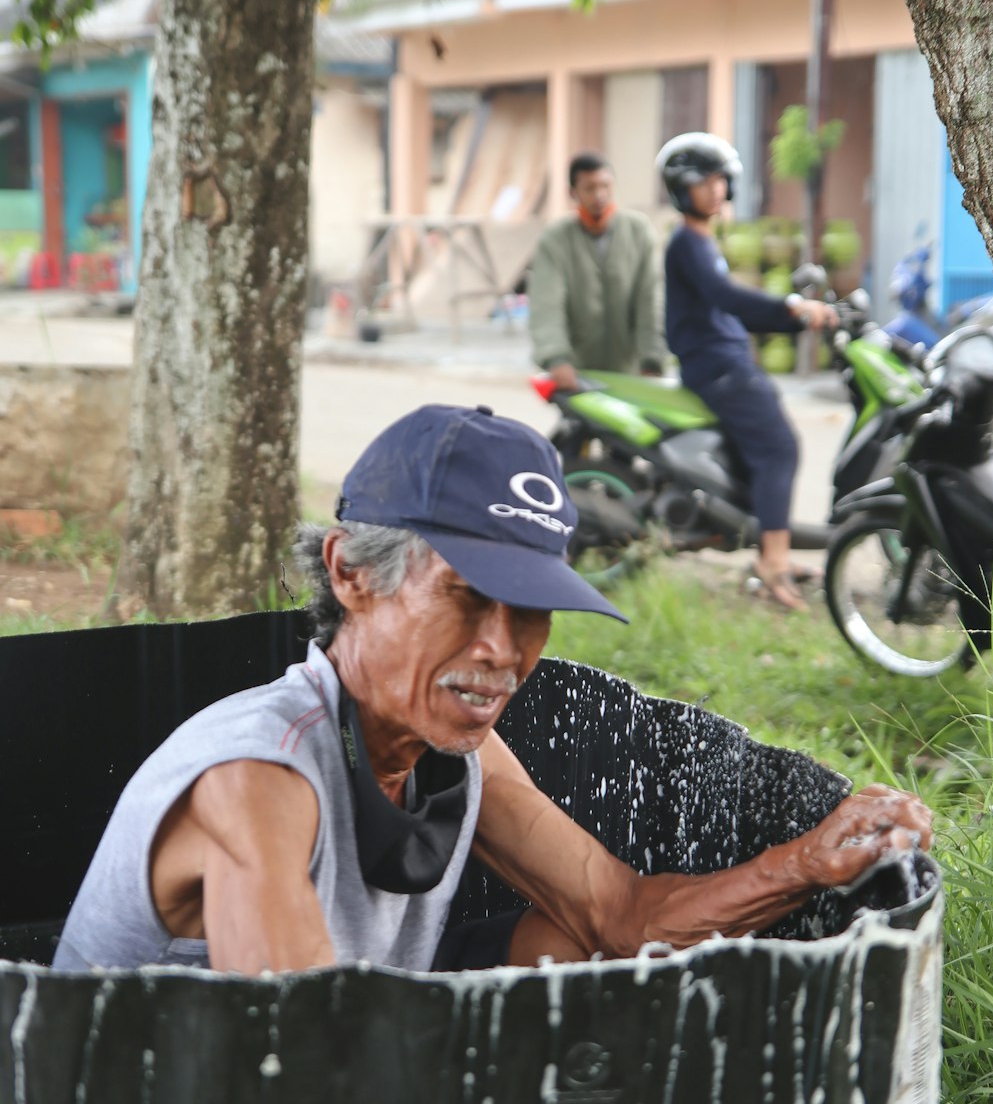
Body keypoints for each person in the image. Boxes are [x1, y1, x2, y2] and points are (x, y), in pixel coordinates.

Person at [53, 405, 930, 977]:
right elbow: (293, 1073)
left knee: (569, 940)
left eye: (531, 611)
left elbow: (621, 917)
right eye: (466, 597)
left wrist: (812, 862)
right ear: (352, 574)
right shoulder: (257, 780)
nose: (501, 652)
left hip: (327, 1084)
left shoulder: (448, 749)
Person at [658, 132, 839, 612]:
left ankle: (769, 552)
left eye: (721, 181)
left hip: (724, 362)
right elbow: (730, 301)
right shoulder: (687, 244)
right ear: (682, 189)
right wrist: (794, 308)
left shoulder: (701, 242)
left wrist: (793, 318)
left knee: (761, 454)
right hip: (716, 367)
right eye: (704, 182)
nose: (716, 190)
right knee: (779, 447)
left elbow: (735, 309)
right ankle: (773, 564)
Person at [529, 152, 666, 391]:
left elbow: (651, 299)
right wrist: (556, 357)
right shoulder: (556, 239)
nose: (599, 194)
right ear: (573, 193)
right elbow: (546, 303)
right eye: (589, 188)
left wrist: (652, 359)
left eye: (605, 185)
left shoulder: (638, 231)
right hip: (578, 373)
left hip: (632, 370)